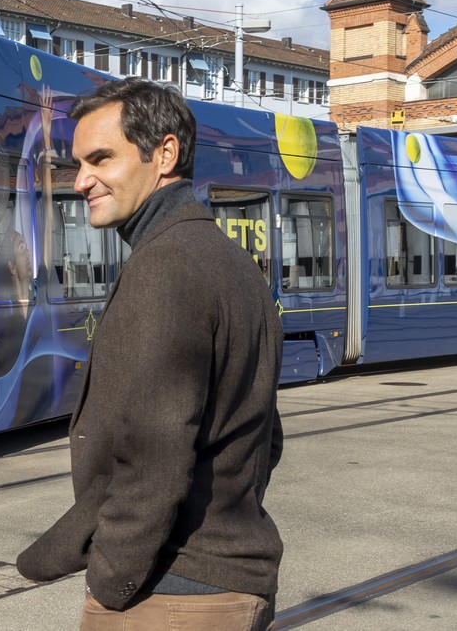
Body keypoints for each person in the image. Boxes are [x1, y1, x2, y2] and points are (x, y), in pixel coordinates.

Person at [16, 78, 283, 630]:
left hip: (173, 592)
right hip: (227, 578)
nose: (80, 180)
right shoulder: (233, 263)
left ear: (164, 154)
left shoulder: (164, 265)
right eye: (77, 163)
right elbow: (266, 436)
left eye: (100, 159)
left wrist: (113, 580)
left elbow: (154, 450)